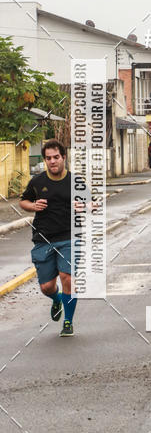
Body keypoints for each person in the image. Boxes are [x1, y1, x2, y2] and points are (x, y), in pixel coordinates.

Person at [19, 139, 80, 337]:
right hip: (43, 239)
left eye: (56, 157)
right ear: (45, 160)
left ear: (63, 157)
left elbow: (92, 203)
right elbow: (23, 201)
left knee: (67, 277)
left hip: (69, 237)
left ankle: (68, 322)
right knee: (46, 286)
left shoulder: (75, 181)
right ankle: (56, 299)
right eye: (48, 158)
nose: (52, 161)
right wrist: (33, 206)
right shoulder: (37, 182)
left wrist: (84, 206)